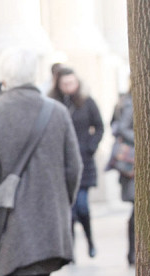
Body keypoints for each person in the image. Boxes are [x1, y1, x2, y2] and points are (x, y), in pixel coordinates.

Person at [0, 48, 81, 276]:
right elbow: (74, 167)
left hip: (14, 217)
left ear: (5, 77)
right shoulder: (57, 111)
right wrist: (63, 202)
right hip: (51, 215)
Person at [48, 67, 104, 258]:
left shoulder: (87, 102)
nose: (68, 87)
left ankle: (90, 241)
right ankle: (70, 249)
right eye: (64, 84)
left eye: (71, 83)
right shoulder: (52, 104)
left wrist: (91, 146)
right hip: (61, 163)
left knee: (82, 206)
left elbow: (99, 126)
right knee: (69, 212)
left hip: (84, 161)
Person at [109, 89, 136, 265]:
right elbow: (123, 128)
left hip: (134, 163)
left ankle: (133, 252)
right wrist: (145, 139)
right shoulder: (130, 102)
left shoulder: (126, 101)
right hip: (133, 163)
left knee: (138, 208)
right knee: (138, 208)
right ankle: (132, 253)